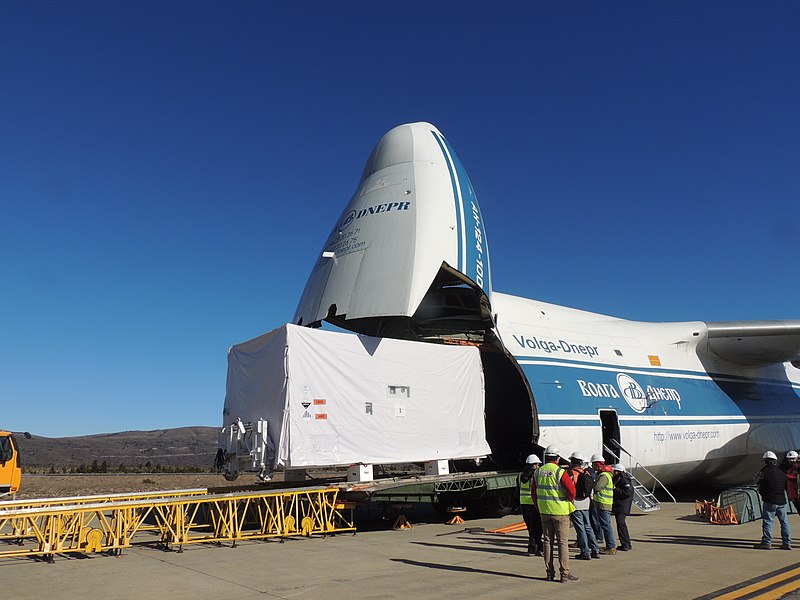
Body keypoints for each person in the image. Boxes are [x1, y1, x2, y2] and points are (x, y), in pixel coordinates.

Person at [532, 445, 579, 582]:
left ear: (546, 457)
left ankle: (549, 573)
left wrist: (539, 507)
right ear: (558, 458)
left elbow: (534, 493)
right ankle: (564, 573)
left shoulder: (538, 472)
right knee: (562, 543)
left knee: (547, 542)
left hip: (544, 511)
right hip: (560, 512)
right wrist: (567, 501)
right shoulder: (560, 472)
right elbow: (572, 492)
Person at [755, 450, 791, 550]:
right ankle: (787, 542)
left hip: (769, 501)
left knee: (768, 521)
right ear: (775, 461)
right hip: (782, 501)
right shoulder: (781, 472)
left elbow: (755, 481)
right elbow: (786, 486)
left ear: (765, 461)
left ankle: (767, 542)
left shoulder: (763, 472)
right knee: (784, 522)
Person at [568, 452, 600, 560]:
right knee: (588, 527)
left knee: (580, 528)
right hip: (586, 502)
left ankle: (585, 552)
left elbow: (569, 489)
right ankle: (595, 550)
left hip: (576, 503)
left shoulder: (571, 473)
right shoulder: (586, 473)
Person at [589, 453, 616, 554]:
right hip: (603, 503)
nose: (592, 466)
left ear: (598, 464)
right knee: (605, 525)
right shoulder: (604, 474)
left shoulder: (604, 476)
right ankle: (610, 545)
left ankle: (611, 547)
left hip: (603, 503)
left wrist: (591, 482)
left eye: (594, 464)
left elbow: (597, 487)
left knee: (606, 525)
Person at [519, 453, 543, 556]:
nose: (538, 466)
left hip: (524, 504)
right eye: (537, 464)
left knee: (530, 527)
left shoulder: (520, 475)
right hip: (534, 503)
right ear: (533, 465)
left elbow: (517, 489)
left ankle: (537, 547)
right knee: (537, 528)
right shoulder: (536, 475)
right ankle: (533, 548)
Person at [611, 464, 633, 551]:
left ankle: (625, 544)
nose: (614, 472)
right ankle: (626, 543)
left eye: (615, 471)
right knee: (621, 525)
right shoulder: (619, 479)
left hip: (622, 506)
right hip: (619, 505)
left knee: (621, 525)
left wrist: (615, 489)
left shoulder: (624, 480)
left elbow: (627, 492)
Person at [779, 450, 800, 514]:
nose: (792, 461)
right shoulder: (790, 470)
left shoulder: (793, 470)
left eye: (793, 459)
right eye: (790, 459)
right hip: (794, 495)